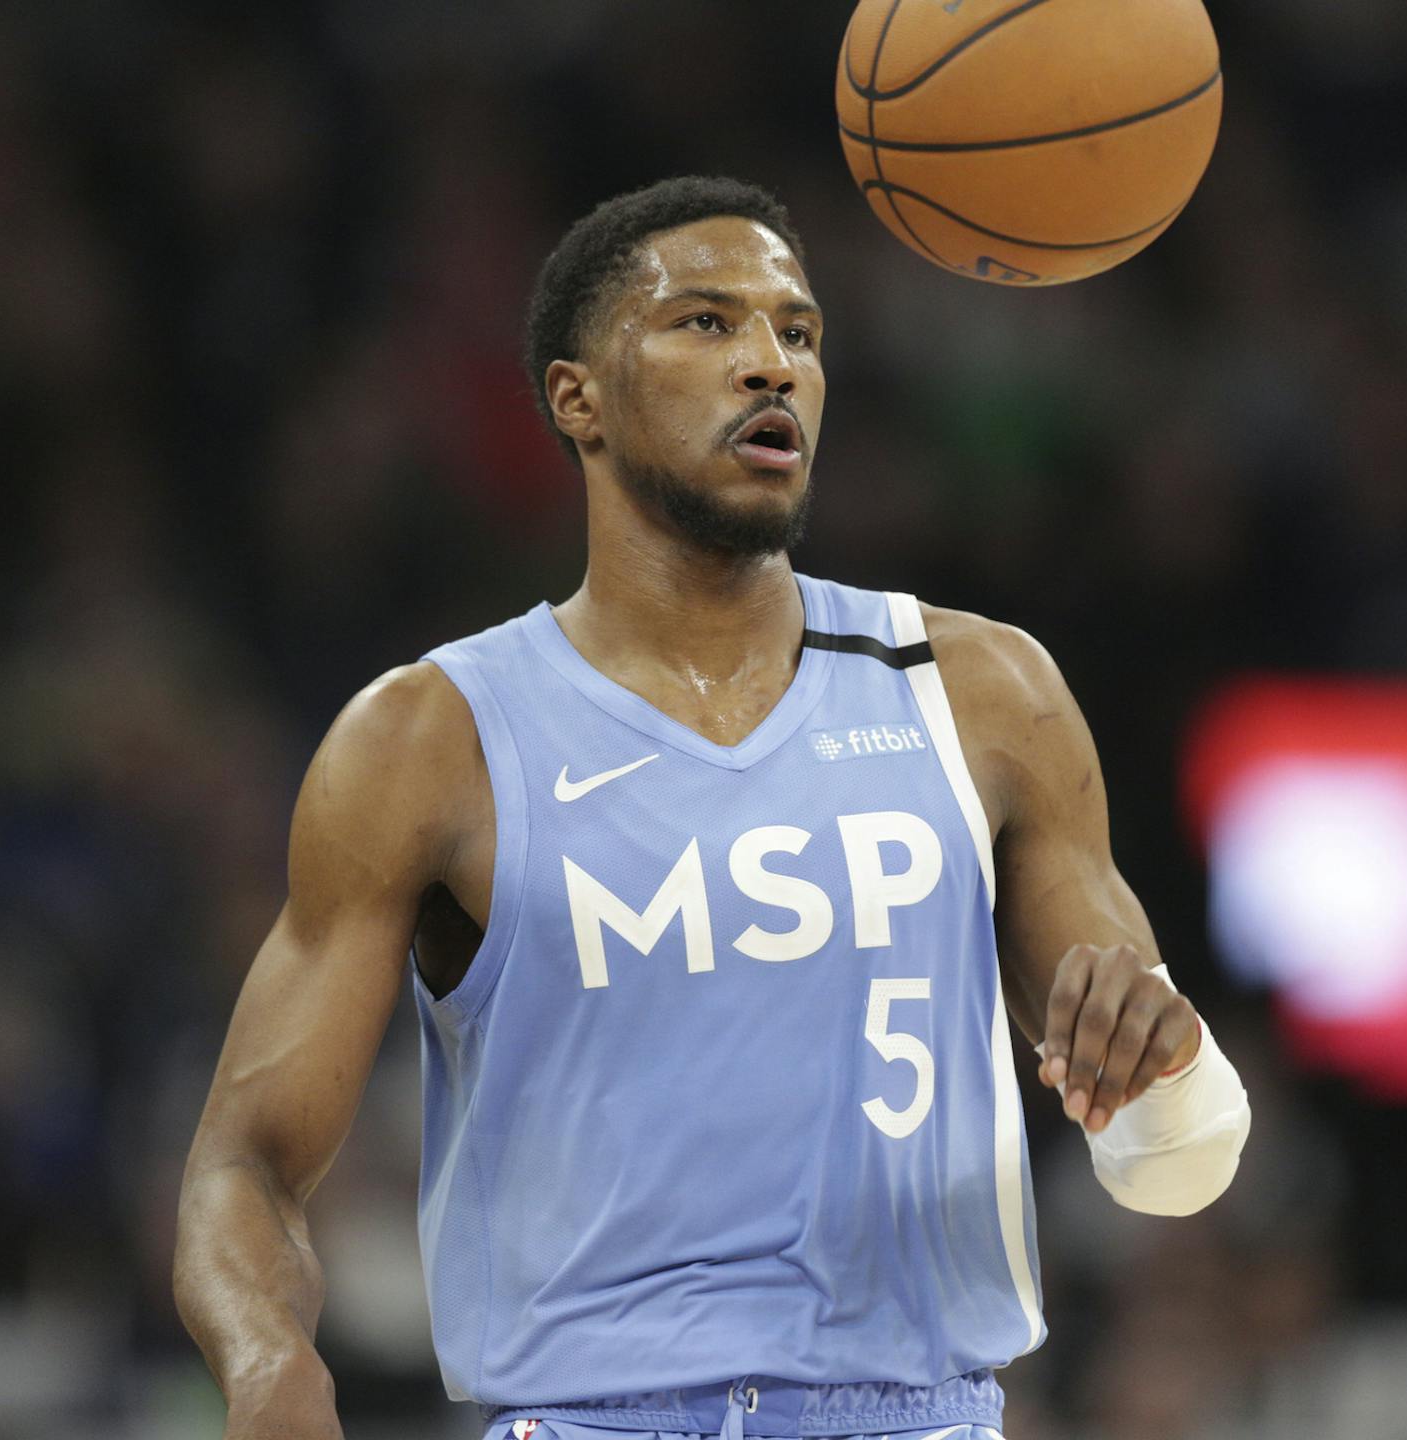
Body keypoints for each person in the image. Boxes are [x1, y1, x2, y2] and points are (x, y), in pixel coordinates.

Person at [173, 176, 1251, 1440]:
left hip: (921, 1413)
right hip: (583, 1419)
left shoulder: (979, 691)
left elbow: (1170, 1159)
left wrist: (1168, 1068)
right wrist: (267, 1365)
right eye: (706, 324)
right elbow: (243, 1161)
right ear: (576, 397)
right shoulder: (431, 739)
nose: (769, 366)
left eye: (798, 333)